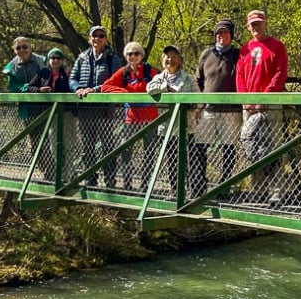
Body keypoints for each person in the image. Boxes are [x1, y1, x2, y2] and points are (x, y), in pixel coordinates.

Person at [236, 10, 288, 202]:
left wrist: (266, 98)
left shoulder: (277, 46)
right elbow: (239, 76)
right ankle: (257, 191)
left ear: (265, 24)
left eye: (259, 23)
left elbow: (280, 73)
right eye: (252, 24)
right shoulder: (244, 49)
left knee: (273, 148)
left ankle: (276, 192)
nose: (256, 27)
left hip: (270, 105)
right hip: (249, 106)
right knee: (252, 149)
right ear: (248, 27)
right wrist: (245, 100)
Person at [193, 19, 242, 199]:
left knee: (228, 149)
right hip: (208, 109)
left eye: (226, 33)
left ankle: (225, 185)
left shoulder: (238, 55)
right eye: (219, 33)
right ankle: (199, 184)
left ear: (231, 35)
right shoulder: (206, 55)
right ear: (215, 36)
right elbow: (198, 80)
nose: (222, 36)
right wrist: (198, 106)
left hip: (232, 110)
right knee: (200, 147)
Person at [69, 26, 122, 188]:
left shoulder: (113, 58)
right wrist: (77, 88)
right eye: (94, 35)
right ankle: (90, 180)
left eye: (101, 36)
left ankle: (110, 181)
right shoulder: (82, 58)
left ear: (105, 39)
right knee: (88, 146)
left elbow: (116, 81)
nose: (97, 38)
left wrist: (96, 90)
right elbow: (72, 78)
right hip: (85, 108)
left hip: (105, 108)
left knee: (107, 145)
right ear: (89, 38)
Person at [102, 42, 158, 191]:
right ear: (126, 56)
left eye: (136, 53)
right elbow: (105, 86)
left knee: (149, 153)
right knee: (126, 152)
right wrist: (124, 93)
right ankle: (127, 184)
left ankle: (146, 185)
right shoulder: (123, 72)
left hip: (150, 119)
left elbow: (161, 84)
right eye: (129, 54)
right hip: (131, 120)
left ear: (142, 56)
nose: (133, 56)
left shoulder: (150, 72)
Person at [147, 45, 198, 197]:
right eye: (167, 57)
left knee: (188, 159)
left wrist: (191, 106)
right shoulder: (158, 78)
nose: (170, 60)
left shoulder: (188, 78)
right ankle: (175, 191)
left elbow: (198, 97)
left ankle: (190, 191)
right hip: (167, 127)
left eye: (174, 57)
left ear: (180, 60)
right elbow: (149, 89)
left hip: (186, 126)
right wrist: (166, 88)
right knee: (172, 160)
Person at [2, 37, 48, 176]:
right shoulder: (10, 67)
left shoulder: (43, 61)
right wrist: (29, 88)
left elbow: (51, 77)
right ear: (14, 50)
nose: (22, 50)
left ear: (30, 47)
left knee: (49, 139)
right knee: (34, 141)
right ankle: (45, 169)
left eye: (25, 47)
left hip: (46, 106)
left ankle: (56, 170)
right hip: (27, 109)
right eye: (18, 48)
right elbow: (13, 87)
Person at [27, 48, 74, 181]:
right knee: (54, 145)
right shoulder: (43, 73)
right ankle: (59, 171)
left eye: (58, 58)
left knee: (70, 144)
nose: (55, 60)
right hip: (50, 114)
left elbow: (74, 87)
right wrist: (40, 89)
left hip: (67, 113)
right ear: (49, 60)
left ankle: (68, 174)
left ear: (62, 60)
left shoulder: (67, 73)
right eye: (52, 58)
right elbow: (30, 87)